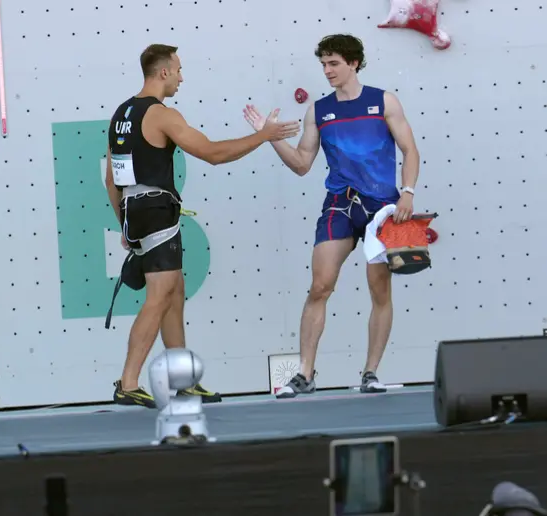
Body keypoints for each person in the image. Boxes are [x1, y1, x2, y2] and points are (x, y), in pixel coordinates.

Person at [106, 43, 301, 407]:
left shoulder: (122, 113)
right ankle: (128, 382)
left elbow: (110, 179)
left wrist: (126, 225)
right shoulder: (163, 115)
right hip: (157, 210)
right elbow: (212, 154)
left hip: (135, 211)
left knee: (174, 292)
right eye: (178, 69)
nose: (182, 76)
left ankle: (181, 381)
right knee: (160, 296)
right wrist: (264, 135)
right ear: (163, 72)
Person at [242, 34, 420, 398]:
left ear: (354, 63)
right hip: (340, 204)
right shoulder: (319, 110)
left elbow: (410, 150)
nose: (327, 71)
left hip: (382, 209)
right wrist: (269, 137)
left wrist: (408, 193)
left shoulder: (383, 101)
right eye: (323, 64)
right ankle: (304, 374)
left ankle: (371, 372)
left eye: (334, 63)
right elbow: (302, 165)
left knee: (379, 290)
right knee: (320, 286)